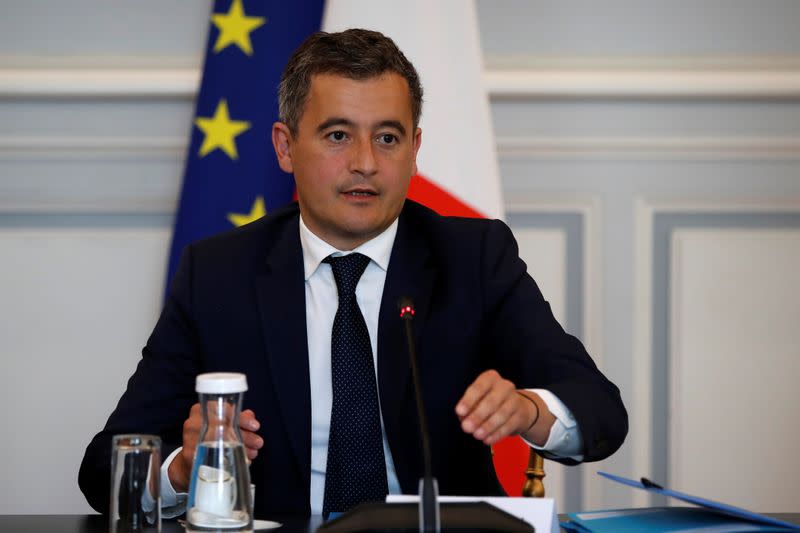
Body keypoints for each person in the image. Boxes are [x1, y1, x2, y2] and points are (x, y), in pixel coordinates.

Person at [79, 28, 627, 517]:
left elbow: (600, 411)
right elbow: (105, 466)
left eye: (387, 138)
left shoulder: (472, 257)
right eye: (338, 135)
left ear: (415, 149)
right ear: (286, 147)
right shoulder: (219, 273)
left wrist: (530, 409)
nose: (365, 162)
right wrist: (182, 467)